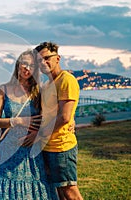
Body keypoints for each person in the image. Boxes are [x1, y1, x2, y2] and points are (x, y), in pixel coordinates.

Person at [0, 49, 58, 200]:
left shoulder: (39, 91)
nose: (27, 68)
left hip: (32, 150)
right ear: (17, 65)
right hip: (8, 150)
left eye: (32, 66)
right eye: (24, 64)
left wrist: (37, 134)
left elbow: (52, 115)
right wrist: (18, 121)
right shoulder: (3, 89)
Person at [34, 41, 83, 200]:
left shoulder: (66, 80)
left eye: (47, 57)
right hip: (48, 147)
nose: (43, 62)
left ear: (57, 58)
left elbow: (64, 117)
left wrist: (39, 134)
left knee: (70, 192)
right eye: (39, 60)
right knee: (60, 193)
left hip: (61, 146)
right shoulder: (47, 85)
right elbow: (50, 114)